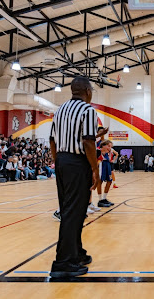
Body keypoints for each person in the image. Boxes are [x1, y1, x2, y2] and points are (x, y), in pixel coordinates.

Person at [49, 77, 100, 278]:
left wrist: (59, 162)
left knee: (72, 211)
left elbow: (52, 140)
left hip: (62, 161)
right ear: (87, 91)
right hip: (78, 163)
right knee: (73, 213)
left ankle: (75, 252)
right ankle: (63, 262)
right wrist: (95, 169)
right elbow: (88, 142)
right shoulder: (88, 110)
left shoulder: (60, 110)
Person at [97, 140, 115, 208]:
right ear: (103, 145)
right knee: (100, 182)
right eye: (108, 146)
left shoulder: (109, 152)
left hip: (108, 165)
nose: (110, 148)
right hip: (102, 165)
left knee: (110, 181)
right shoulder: (98, 150)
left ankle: (104, 198)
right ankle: (100, 200)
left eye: (110, 146)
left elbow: (115, 155)